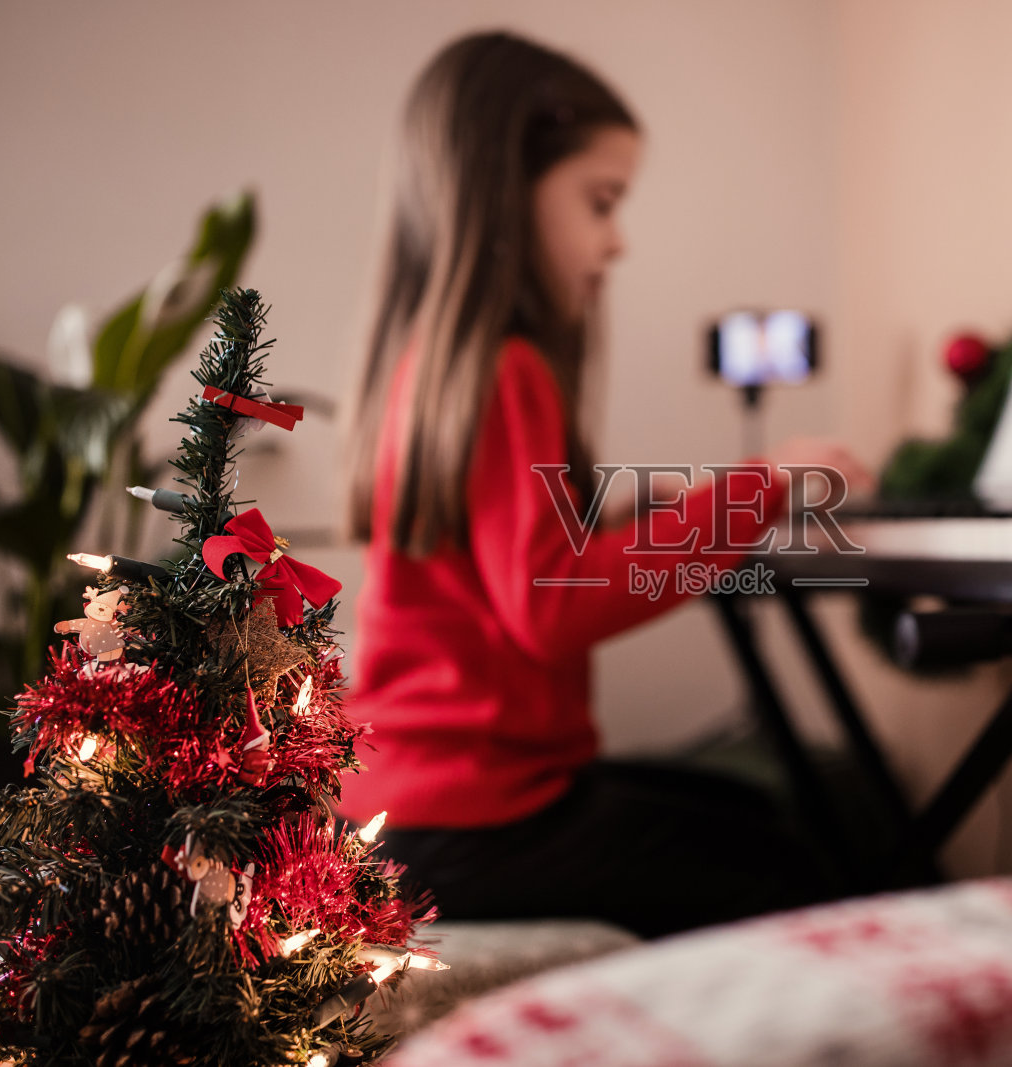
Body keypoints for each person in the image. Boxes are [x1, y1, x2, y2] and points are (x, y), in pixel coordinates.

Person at [338, 31, 871, 939]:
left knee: (752, 808)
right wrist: (767, 483)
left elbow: (519, 559)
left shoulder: (437, 366)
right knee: (789, 860)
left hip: (407, 811)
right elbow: (554, 602)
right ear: (506, 187)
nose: (616, 241)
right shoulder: (505, 369)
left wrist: (648, 514)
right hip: (467, 822)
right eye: (602, 201)